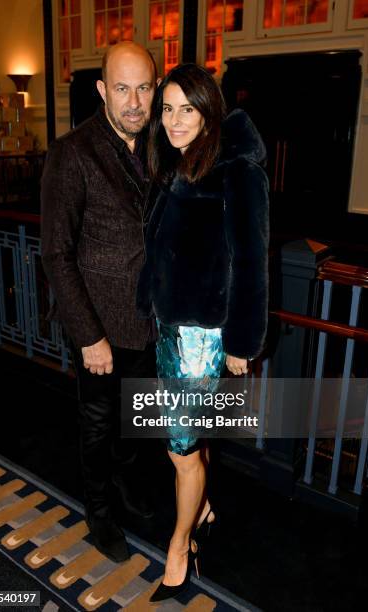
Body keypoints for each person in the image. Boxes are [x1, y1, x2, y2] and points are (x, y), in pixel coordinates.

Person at [137, 63, 269, 601]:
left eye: (185, 108)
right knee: (184, 444)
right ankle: (204, 508)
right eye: (166, 109)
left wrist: (241, 343)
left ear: (209, 110)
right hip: (171, 329)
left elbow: (253, 259)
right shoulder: (176, 165)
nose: (173, 119)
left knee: (181, 449)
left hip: (204, 338)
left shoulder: (236, 169)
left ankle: (178, 545)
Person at [41, 42, 159, 564]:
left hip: (150, 322)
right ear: (101, 90)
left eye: (144, 87)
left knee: (137, 419)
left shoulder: (161, 143)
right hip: (100, 329)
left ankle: (126, 488)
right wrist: (89, 335)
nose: (134, 101)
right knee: (97, 423)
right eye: (122, 88)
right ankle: (99, 511)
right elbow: (56, 253)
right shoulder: (73, 152)